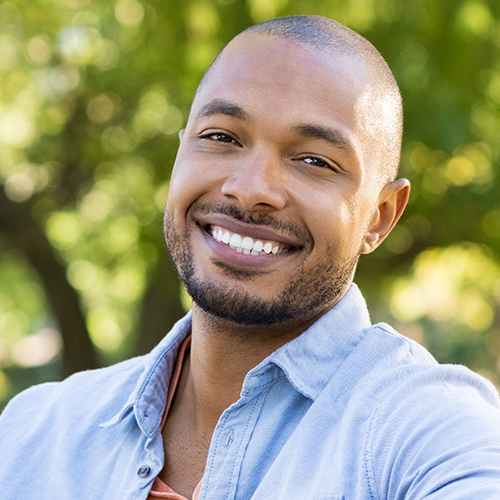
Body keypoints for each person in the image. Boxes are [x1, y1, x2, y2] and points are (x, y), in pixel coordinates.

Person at [1, 15, 500, 500]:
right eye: (221, 137)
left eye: (314, 161)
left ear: (379, 216)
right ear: (180, 155)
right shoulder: (34, 435)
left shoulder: (422, 428)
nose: (249, 189)